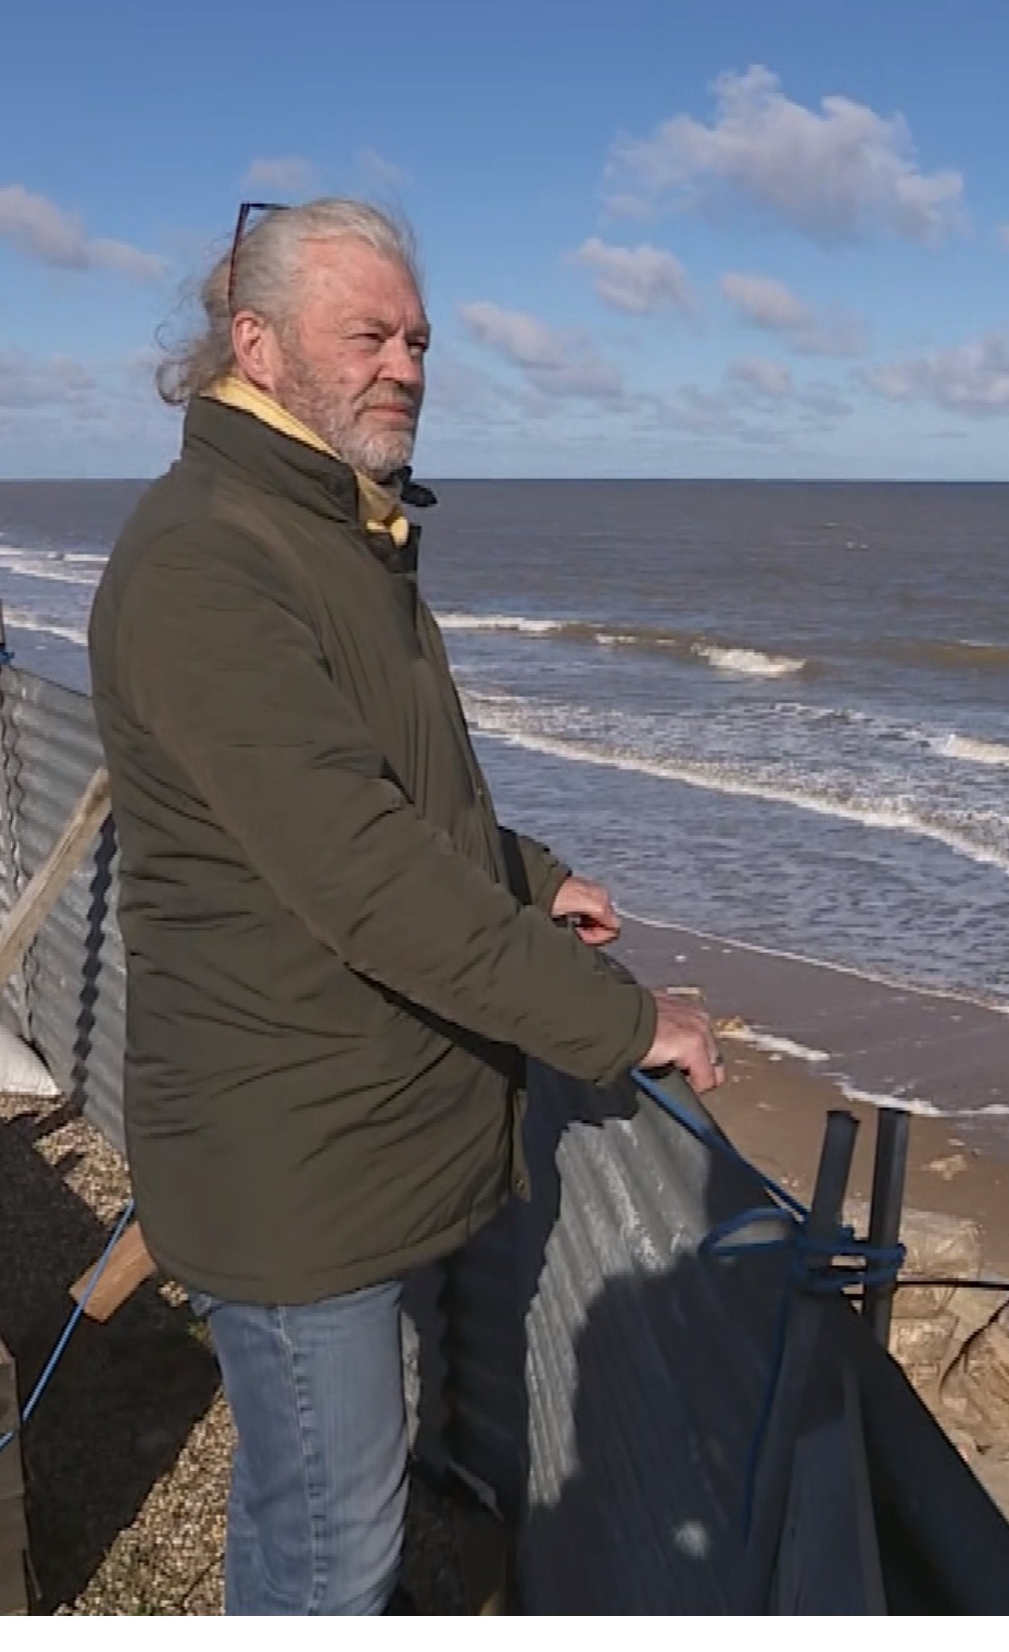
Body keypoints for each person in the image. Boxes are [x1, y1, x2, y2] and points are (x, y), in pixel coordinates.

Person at [85, 198, 727, 1615]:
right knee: (328, 1553)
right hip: (294, 1163)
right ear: (253, 343)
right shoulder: (212, 557)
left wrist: (530, 871)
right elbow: (364, 877)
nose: (406, 364)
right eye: (366, 333)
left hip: (348, 1132)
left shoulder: (331, 530)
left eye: (419, 337)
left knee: (330, 1517)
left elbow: (389, 795)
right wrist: (625, 1024)